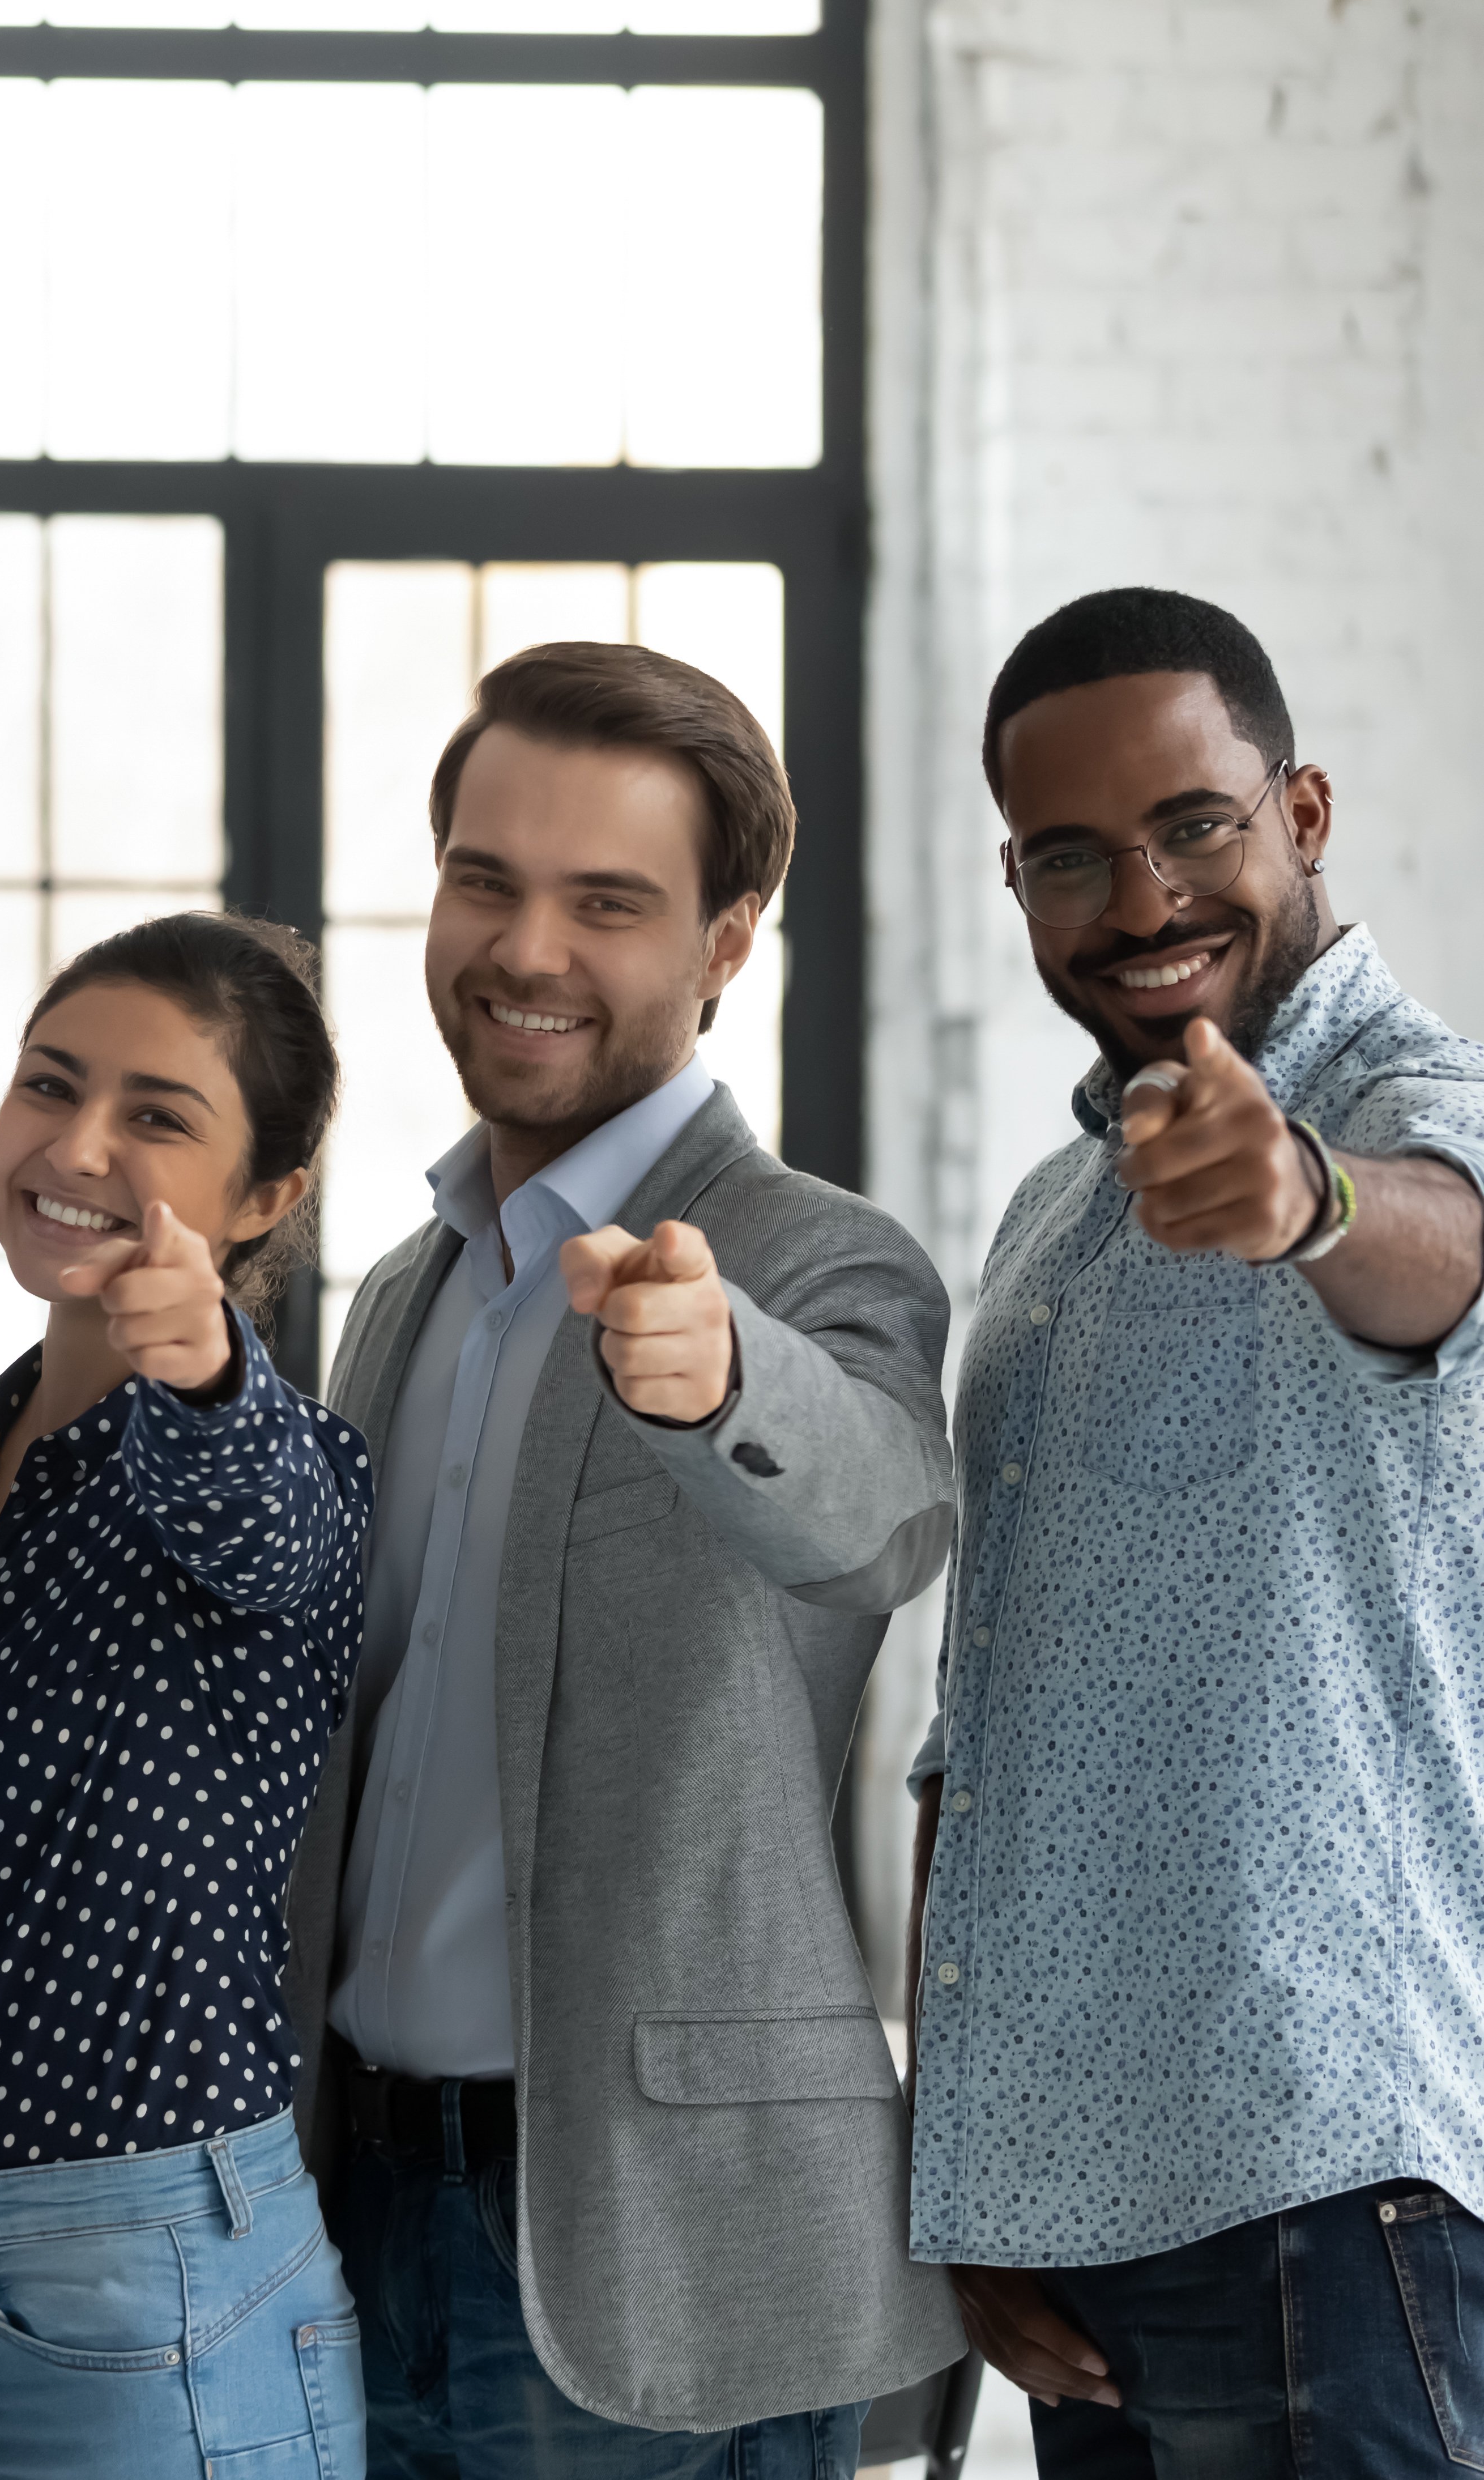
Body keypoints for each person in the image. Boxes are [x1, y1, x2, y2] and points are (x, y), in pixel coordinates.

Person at [283, 640, 965, 2473]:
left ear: (727, 942)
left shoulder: (816, 1259)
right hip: (353, 2208)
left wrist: (721, 1372)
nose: (527, 952)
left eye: (609, 903)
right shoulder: (410, 1286)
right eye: (486, 882)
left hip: (657, 2235)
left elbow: (879, 1514)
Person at [907, 588, 1484, 2472]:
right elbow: (979, 1740)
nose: (1143, 903)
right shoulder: (1047, 1230)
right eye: (1072, 858)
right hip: (1089, 2241)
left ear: (1303, 813)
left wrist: (1312, 1198)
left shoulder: (1409, 1106)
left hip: (1337, 2211)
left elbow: (1439, 1249)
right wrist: (970, 2172)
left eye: (1195, 828)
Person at [0, 912, 374, 2478]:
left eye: (158, 1114)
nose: (75, 1143)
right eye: (48, 1084)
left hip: (145, 2282)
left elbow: (258, 1507)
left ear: (267, 1196)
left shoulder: (271, 1455)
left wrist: (208, 1369)